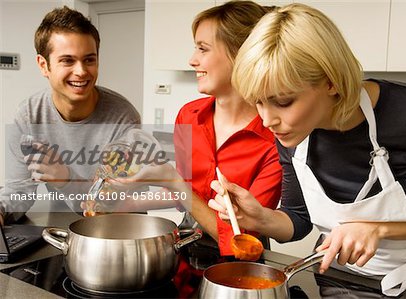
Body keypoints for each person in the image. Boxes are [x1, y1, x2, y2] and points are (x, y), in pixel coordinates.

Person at [208, 3, 406, 296]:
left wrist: (379, 230)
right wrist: (260, 217)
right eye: (257, 102)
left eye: (283, 102)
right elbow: (298, 220)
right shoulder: (290, 130)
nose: (267, 120)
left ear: (331, 81)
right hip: (332, 277)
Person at [110, 1, 282, 257]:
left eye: (203, 49)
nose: (192, 60)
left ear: (241, 54)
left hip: (240, 264)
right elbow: (186, 196)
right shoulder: (188, 114)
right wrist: (122, 205)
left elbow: (241, 243)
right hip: (188, 244)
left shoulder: (275, 139)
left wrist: (170, 179)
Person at [0, 6, 141, 226]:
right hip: (62, 230)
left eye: (89, 60)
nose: (81, 71)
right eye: (67, 60)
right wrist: (1, 210)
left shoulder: (123, 118)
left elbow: (110, 204)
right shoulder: (27, 117)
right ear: (43, 65)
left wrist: (65, 178)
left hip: (118, 233)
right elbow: (19, 192)